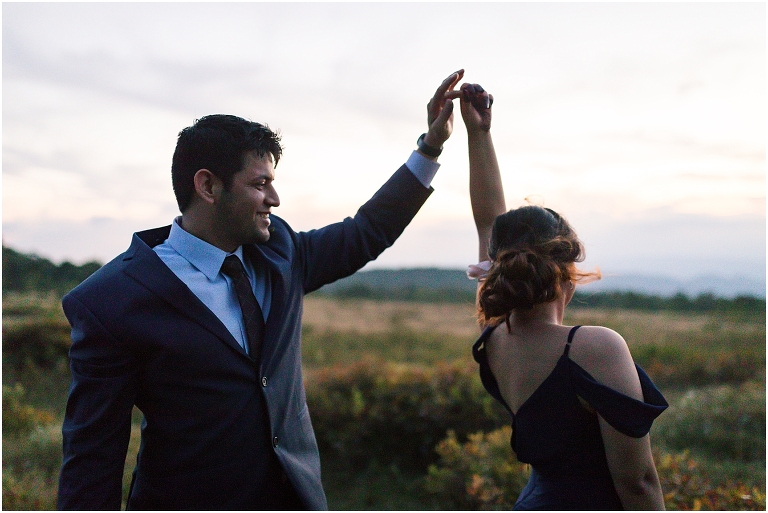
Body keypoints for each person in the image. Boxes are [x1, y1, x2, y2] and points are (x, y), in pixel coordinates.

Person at [57, 70, 466, 510]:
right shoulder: (110, 301)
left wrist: (430, 147)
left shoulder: (280, 251)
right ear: (208, 186)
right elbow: (92, 461)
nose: (274, 198)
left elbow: (365, 231)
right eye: (259, 184)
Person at [459, 83, 669, 510]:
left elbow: (487, 223)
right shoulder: (593, 347)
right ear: (567, 270)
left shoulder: (495, 336)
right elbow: (638, 483)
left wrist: (478, 134)